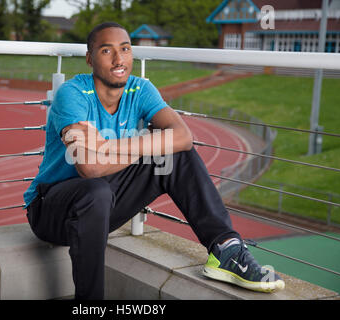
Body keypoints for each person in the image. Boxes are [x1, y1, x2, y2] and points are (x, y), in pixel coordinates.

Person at [23, 22, 285, 300]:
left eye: (124, 49)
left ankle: (226, 249)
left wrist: (111, 146)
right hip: (52, 210)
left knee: (176, 154)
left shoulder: (140, 89)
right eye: (106, 50)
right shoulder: (72, 94)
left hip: (103, 204)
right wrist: (150, 143)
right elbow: (90, 167)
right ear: (90, 59)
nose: (118, 59)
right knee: (98, 188)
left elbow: (184, 136)